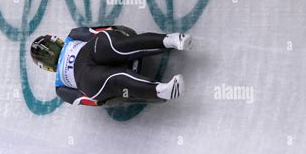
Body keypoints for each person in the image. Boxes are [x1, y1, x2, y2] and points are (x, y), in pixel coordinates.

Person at [30, 26, 192, 106]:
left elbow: (99, 31)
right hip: (86, 77)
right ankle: (161, 91)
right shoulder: (60, 88)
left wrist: (115, 33)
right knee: (113, 79)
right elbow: (88, 100)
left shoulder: (73, 35)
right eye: (48, 56)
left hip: (92, 51)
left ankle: (171, 40)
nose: (52, 55)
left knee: (116, 46)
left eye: (50, 50)